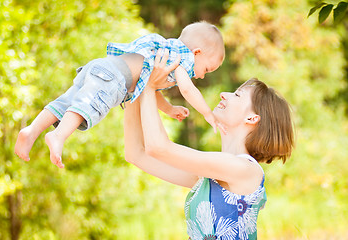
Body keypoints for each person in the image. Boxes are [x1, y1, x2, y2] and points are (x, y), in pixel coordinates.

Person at [124, 50, 294, 239]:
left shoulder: (244, 169)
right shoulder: (205, 178)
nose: (223, 94)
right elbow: (136, 154)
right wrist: (134, 85)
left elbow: (158, 148)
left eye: (237, 95)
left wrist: (149, 86)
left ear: (252, 118)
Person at [15, 21, 225, 168]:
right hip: (114, 78)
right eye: (207, 69)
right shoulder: (181, 57)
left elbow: (150, 88)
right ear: (196, 52)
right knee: (87, 106)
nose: (203, 76)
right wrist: (208, 113)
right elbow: (188, 90)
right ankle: (58, 135)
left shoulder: (167, 53)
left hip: (102, 68)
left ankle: (32, 131)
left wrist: (169, 109)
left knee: (67, 103)